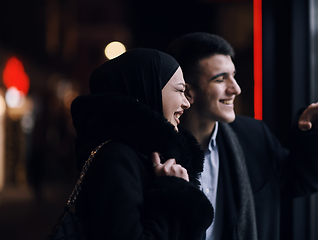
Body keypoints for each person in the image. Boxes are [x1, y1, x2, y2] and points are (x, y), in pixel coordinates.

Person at [166, 32, 318, 240]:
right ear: (188, 92)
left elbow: (300, 181)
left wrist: (310, 132)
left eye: (233, 75)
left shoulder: (253, 135)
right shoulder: (157, 151)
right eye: (220, 79)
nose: (235, 88)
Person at [70, 48, 213, 240]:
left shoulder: (149, 155)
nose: (186, 103)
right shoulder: (115, 158)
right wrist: (172, 191)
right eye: (180, 90)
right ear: (146, 89)